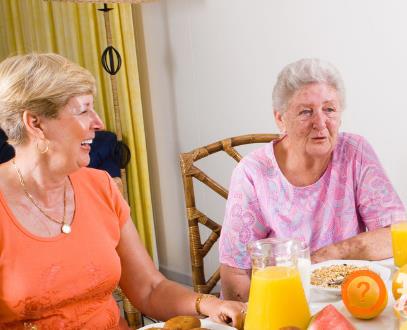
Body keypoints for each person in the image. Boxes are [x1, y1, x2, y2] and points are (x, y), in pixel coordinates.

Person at [0, 53, 246, 329]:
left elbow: (150, 289)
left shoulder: (100, 186)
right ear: (35, 123)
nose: (99, 122)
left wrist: (211, 304)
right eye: (83, 110)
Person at [219, 58, 405, 301]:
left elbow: (396, 236)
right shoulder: (253, 173)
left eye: (329, 109)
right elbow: (235, 274)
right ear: (280, 119)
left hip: (349, 300)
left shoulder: (355, 152)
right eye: (306, 112)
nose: (320, 123)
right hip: (281, 302)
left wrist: (325, 256)